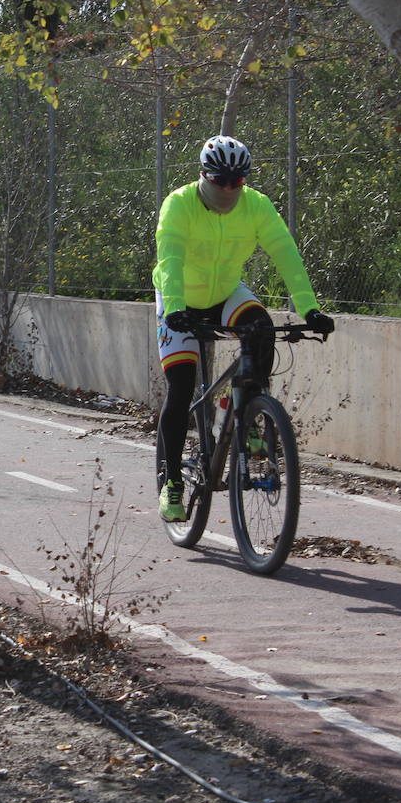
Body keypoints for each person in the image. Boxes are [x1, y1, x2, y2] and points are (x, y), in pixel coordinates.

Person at [152, 135, 334, 522]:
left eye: (238, 181)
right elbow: (169, 259)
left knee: (262, 329)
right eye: (222, 181)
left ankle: (245, 413)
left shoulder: (256, 205)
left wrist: (310, 308)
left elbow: (286, 254)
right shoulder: (179, 204)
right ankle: (172, 482)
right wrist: (177, 309)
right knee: (182, 386)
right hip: (179, 297)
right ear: (204, 175)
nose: (230, 189)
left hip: (226, 292)